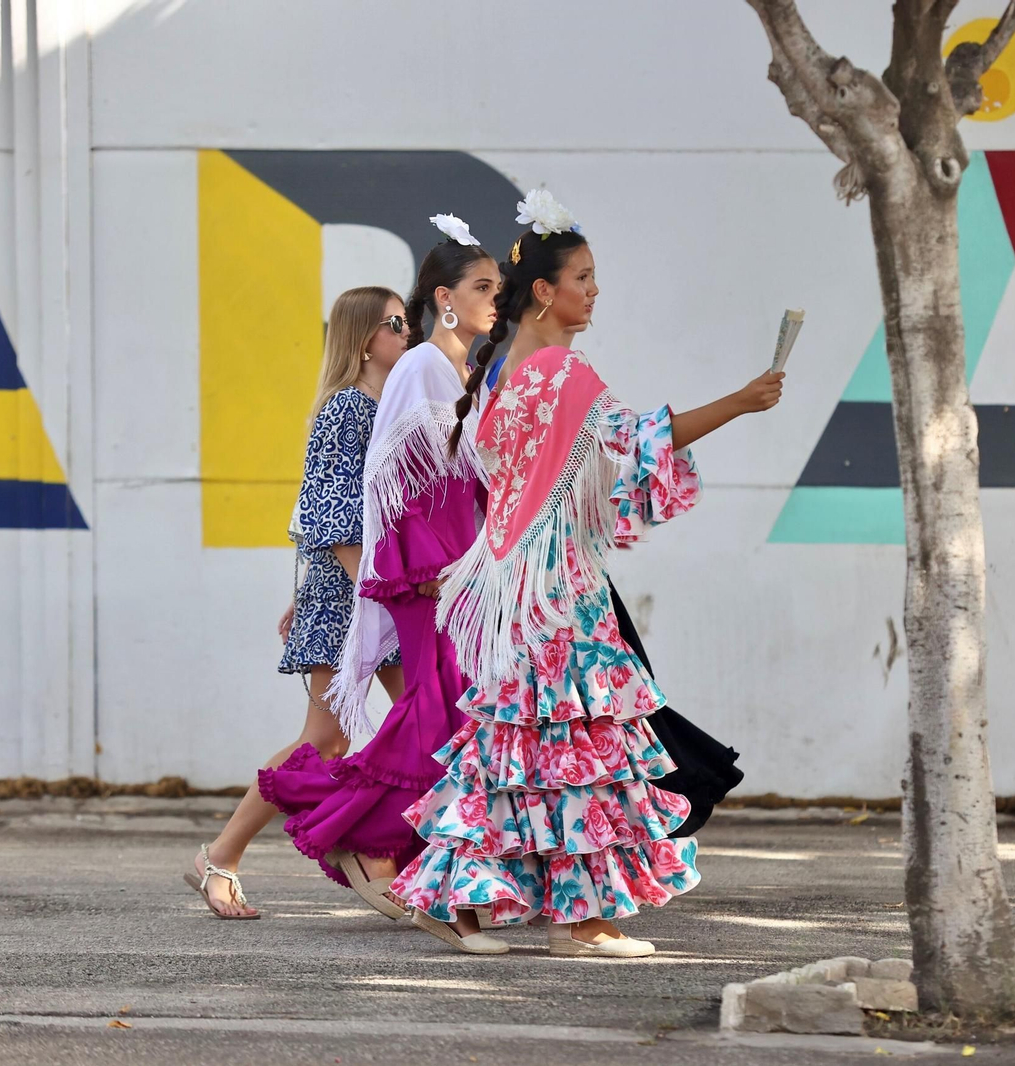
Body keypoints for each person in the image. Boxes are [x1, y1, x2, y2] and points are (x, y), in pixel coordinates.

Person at [391, 191, 784, 956]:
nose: (595, 291)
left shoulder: (503, 368)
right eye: (585, 276)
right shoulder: (558, 375)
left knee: (527, 752)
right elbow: (639, 446)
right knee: (575, 747)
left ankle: (511, 910)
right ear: (546, 289)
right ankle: (561, 917)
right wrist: (740, 402)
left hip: (517, 583)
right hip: (553, 590)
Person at [257, 216, 509, 951]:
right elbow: (361, 498)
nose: (497, 298)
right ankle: (293, 841)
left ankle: (429, 876)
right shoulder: (393, 386)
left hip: (419, 583)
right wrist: (396, 579)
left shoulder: (436, 377)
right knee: (391, 735)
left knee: (424, 733)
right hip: (391, 588)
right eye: (483, 287)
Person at [185, 286, 409, 919]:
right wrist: (371, 593)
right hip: (357, 602)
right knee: (326, 742)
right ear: (366, 338)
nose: (408, 332)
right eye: (396, 323)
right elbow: (328, 511)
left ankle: (403, 857)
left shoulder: (386, 407)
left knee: (421, 723)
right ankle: (221, 856)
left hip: (376, 597)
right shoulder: (347, 409)